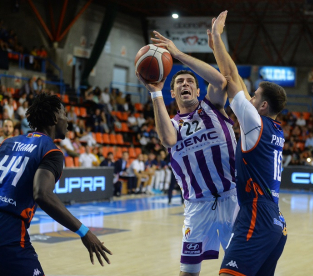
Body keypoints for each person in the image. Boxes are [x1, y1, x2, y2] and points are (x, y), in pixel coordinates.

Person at [138, 29, 238, 276]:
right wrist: (155, 91)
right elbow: (167, 139)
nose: (185, 84)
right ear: (173, 93)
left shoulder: (213, 106)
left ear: (197, 90)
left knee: (241, 268)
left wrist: (178, 54)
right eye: (180, 82)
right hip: (197, 206)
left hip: (233, 199)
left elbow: (220, 81)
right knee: (188, 272)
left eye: (190, 82)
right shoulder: (171, 125)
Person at [211, 11, 287, 276]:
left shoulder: (256, 124)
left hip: (257, 214)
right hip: (276, 220)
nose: (249, 100)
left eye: (254, 98)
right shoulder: (274, 129)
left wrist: (217, 37)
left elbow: (230, 77)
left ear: (263, 106)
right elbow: (240, 86)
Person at [0, 93, 111, 276]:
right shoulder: (51, 151)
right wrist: (84, 231)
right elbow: (42, 194)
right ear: (54, 118)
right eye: (65, 114)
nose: (68, 120)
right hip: (9, 231)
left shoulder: (8, 142)